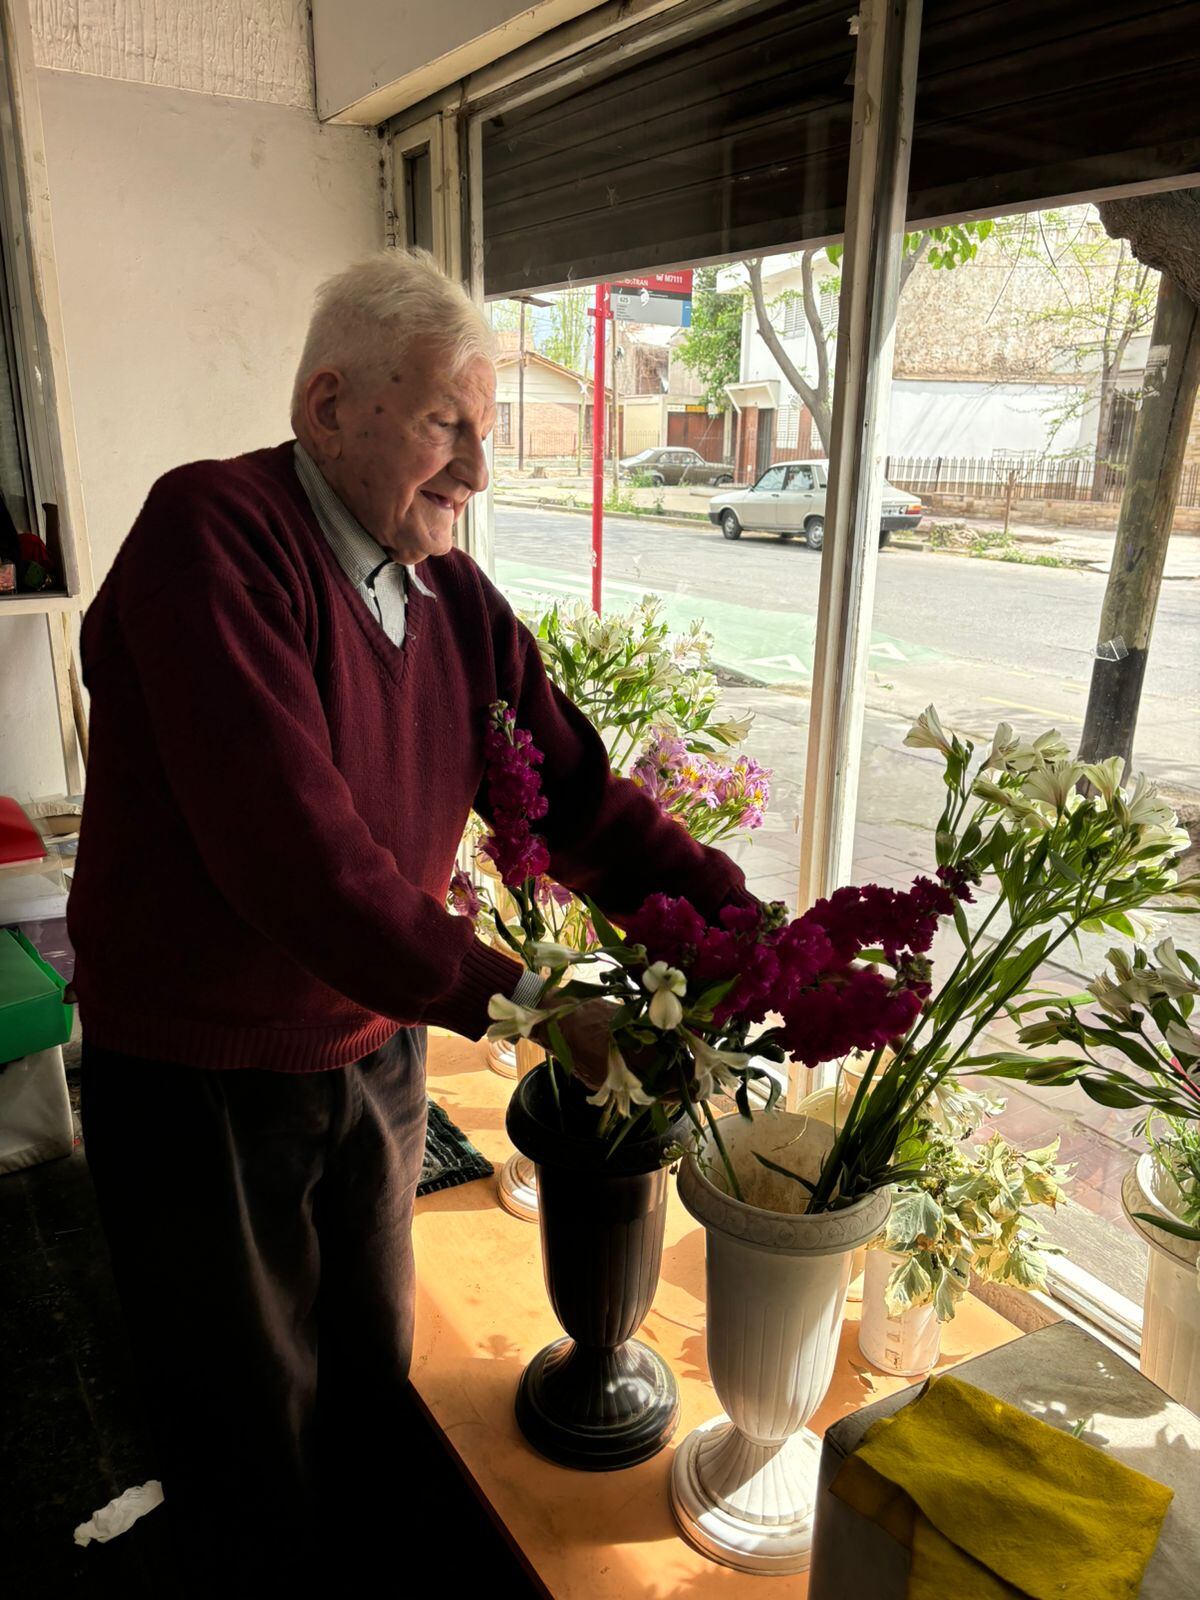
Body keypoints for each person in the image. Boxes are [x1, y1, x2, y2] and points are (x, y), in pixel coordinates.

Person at [69, 250, 753, 1593]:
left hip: (370, 1047)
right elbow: (299, 865)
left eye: (486, 435)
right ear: (330, 406)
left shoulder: (453, 600)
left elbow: (583, 802)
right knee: (239, 1410)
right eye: (451, 425)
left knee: (368, 1370)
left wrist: (740, 932)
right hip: (202, 1068)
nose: (480, 474)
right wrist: (544, 1011)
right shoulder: (208, 538)